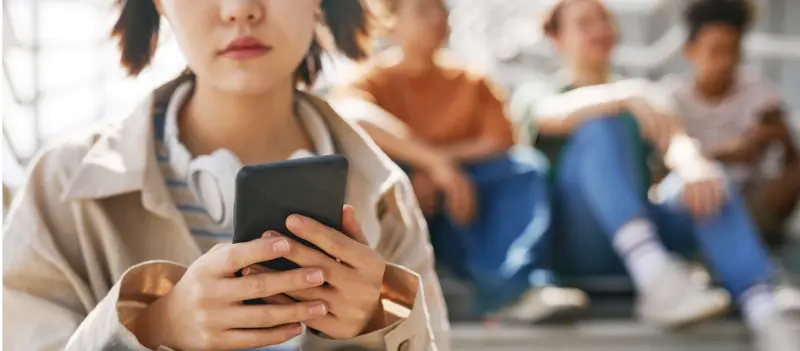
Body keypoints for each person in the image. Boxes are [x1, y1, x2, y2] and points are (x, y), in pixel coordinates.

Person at [0, 1, 451, 350]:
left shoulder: (387, 198)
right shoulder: (59, 190)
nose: (240, 8)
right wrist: (155, 327)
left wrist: (372, 329)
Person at [508, 0, 798, 350]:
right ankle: (656, 276)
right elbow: (547, 115)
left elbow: (677, 142)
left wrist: (695, 167)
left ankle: (764, 311)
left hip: (643, 241)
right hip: (578, 244)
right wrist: (625, 96)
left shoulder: (645, 97)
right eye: (585, 23)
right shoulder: (542, 93)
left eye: (604, 19)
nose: (599, 29)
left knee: (708, 179)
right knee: (599, 127)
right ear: (556, 38)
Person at [330, 0, 588, 323]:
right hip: (403, 213)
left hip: (465, 210)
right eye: (423, 10)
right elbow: (352, 116)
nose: (438, 18)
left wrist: (442, 171)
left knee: (523, 169)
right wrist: (433, 164)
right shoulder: (370, 80)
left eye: (442, 10)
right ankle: (386, 301)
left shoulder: (471, 81)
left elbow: (500, 140)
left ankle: (516, 289)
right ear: (390, 24)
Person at [663, 0, 800, 247]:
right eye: (716, 50)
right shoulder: (670, 99)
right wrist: (721, 155)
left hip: (753, 205)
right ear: (690, 50)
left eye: (733, 50)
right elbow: (661, 170)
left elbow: (790, 165)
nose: (726, 62)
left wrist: (783, 139)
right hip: (693, 202)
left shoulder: (760, 94)